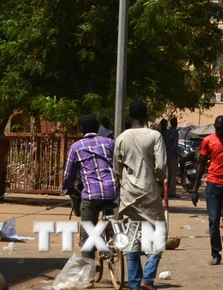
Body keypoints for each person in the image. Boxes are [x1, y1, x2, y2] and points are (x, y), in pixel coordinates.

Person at [114, 101, 167, 290]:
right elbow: (161, 166)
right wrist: (159, 180)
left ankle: (135, 284)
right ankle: (148, 278)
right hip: (149, 190)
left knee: (132, 236)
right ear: (146, 115)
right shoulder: (155, 136)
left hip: (128, 192)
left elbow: (117, 169)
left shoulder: (121, 138)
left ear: (130, 116)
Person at [61, 114, 118, 260]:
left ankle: (88, 273)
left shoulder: (76, 147)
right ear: (98, 128)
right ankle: (110, 235)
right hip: (112, 191)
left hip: (91, 194)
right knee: (108, 209)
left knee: (88, 232)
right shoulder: (110, 143)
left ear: (81, 129)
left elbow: (68, 175)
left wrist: (67, 189)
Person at [192, 116, 223, 264]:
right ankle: (216, 253)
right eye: (217, 128)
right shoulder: (208, 140)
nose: (219, 131)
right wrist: (195, 189)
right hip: (213, 184)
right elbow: (201, 165)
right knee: (213, 221)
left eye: (221, 128)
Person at [163, 118, 181, 198]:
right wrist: (178, 154)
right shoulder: (175, 132)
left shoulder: (166, 132)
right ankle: (172, 192)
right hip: (173, 156)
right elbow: (175, 145)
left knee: (166, 175)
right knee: (173, 175)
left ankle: (164, 191)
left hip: (166, 155)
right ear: (176, 123)